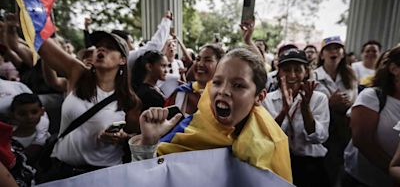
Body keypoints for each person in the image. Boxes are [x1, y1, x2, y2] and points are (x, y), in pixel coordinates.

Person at [129, 48, 293, 183]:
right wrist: (148, 143)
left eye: (238, 85)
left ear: (260, 97)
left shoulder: (271, 142)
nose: (223, 91)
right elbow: (147, 180)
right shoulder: (189, 130)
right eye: (217, 82)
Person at [37, 30, 141, 181]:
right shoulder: (78, 74)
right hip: (62, 173)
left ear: (123, 60)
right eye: (99, 46)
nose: (101, 49)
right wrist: (30, 12)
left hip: (103, 177)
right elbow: (41, 42)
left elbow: (137, 138)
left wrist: (122, 137)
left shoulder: (130, 100)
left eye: (110, 47)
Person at [263, 48, 330, 187]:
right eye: (286, 70)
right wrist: (284, 111)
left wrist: (305, 109)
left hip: (310, 167)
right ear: (278, 72)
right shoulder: (268, 99)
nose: (292, 75)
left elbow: (319, 138)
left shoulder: (318, 99)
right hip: (278, 164)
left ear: (305, 72)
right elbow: (266, 136)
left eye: (298, 70)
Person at [343, 45, 400, 187]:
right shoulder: (372, 97)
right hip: (362, 180)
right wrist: (393, 171)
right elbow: (362, 141)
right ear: (394, 69)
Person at [313, 36, 357, 186]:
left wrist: (348, 105)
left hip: (345, 129)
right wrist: (329, 103)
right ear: (322, 54)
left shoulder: (350, 76)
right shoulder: (314, 76)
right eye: (329, 48)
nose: (334, 52)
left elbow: (355, 101)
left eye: (337, 48)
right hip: (324, 130)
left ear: (343, 53)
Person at [164, 44, 225, 116]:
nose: (200, 64)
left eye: (208, 60)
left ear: (220, 65)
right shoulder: (181, 92)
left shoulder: (223, 97)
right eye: (198, 59)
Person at [11, 93, 50, 165]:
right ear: (13, 115)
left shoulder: (46, 137)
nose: (29, 117)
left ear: (42, 112)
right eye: (22, 114)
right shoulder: (8, 141)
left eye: (34, 112)